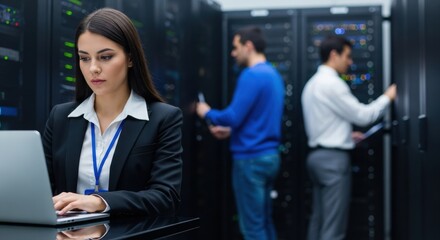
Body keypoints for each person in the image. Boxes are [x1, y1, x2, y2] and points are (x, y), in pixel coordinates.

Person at [42, 8, 183, 216]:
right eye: (84, 58)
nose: (93, 69)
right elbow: (41, 190)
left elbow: (165, 196)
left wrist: (100, 202)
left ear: (130, 58)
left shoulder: (163, 118)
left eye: (105, 57)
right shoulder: (61, 117)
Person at [301, 35, 397, 240]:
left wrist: (344, 133)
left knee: (319, 221)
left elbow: (324, 121)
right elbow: (364, 116)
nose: (350, 62)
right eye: (348, 56)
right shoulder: (332, 83)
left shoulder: (312, 84)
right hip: (333, 161)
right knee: (333, 229)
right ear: (333, 55)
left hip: (317, 159)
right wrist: (387, 97)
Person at [196, 26, 285, 240]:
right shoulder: (272, 74)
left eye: (236, 47)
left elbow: (233, 116)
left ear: (249, 46)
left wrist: (206, 112)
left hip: (251, 160)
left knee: (252, 228)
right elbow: (257, 118)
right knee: (264, 221)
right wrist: (231, 132)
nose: (233, 53)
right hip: (269, 156)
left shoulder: (252, 75)